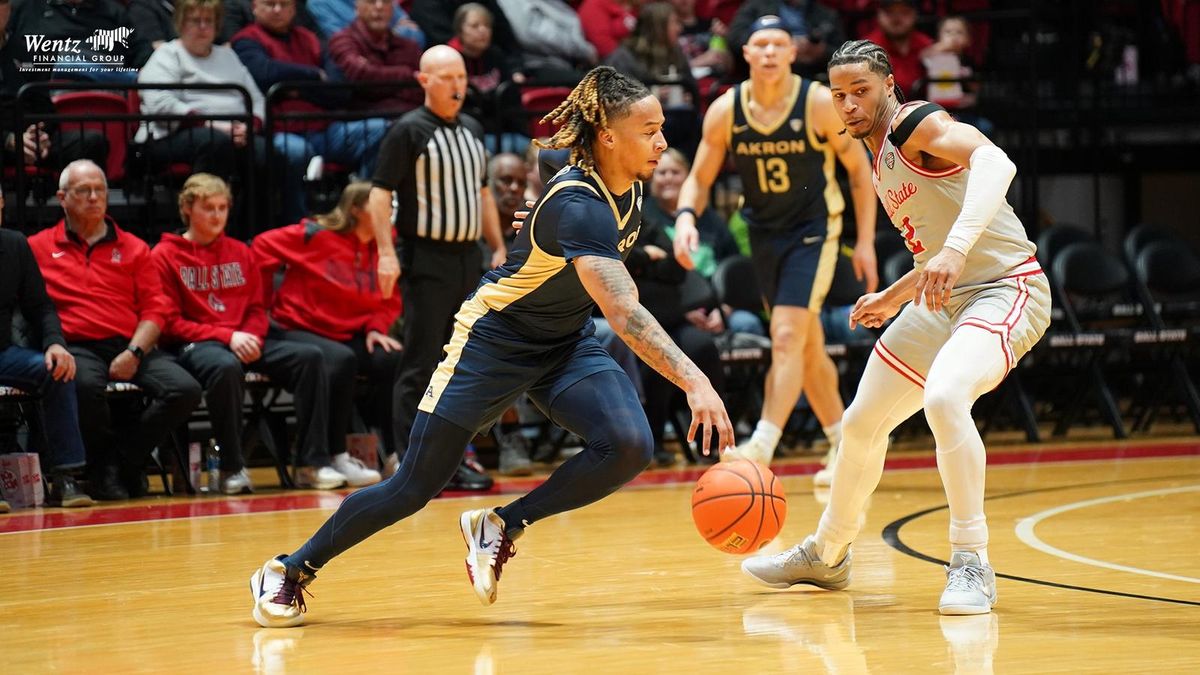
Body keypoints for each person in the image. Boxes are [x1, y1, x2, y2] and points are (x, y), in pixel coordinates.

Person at [249, 66, 733, 628]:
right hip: (493, 340)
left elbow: (551, 174)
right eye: (649, 130)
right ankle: (289, 569)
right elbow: (623, 313)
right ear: (607, 137)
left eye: (660, 129)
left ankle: (501, 524)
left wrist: (535, 214)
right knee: (413, 486)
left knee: (628, 444)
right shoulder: (579, 205)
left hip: (564, 340)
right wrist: (696, 382)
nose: (662, 141)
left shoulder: (625, 185)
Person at [740, 39, 1051, 616]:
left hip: (1005, 288)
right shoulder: (876, 151)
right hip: (938, 296)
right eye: (839, 95)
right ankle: (827, 554)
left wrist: (954, 251)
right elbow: (932, 252)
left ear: (888, 86)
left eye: (861, 91)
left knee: (946, 396)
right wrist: (894, 294)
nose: (850, 104)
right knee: (859, 425)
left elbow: (996, 162)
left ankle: (971, 559)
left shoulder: (914, 124)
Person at [671, 15, 878, 478]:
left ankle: (762, 444)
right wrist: (686, 218)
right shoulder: (727, 110)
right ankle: (845, 447)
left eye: (777, 44)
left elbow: (860, 172)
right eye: (759, 44)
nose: (768, 52)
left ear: (791, 52)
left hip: (813, 230)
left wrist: (863, 241)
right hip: (764, 233)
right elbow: (699, 179)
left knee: (785, 335)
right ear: (745, 53)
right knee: (805, 345)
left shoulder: (819, 103)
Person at [366, 46, 506, 492]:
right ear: (423, 80)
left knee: (462, 364)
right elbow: (378, 194)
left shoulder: (472, 130)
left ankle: (450, 460)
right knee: (422, 362)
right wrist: (386, 253)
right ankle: (412, 464)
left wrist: (498, 245)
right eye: (446, 77)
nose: (457, 86)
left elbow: (483, 194)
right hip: (426, 259)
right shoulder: (408, 131)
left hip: (470, 259)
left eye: (461, 77)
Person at [28, 161, 202, 501]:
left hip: (129, 343)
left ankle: (119, 464)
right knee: (82, 383)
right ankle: (110, 468)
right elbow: (35, 308)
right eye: (83, 191)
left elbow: (156, 310)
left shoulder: (134, 246)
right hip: (75, 345)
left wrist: (135, 352)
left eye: (100, 190)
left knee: (185, 388)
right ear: (62, 198)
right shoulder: (37, 247)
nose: (94, 197)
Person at [152, 174, 334, 494]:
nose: (217, 215)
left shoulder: (240, 251)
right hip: (196, 344)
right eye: (208, 208)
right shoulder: (164, 256)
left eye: (223, 207)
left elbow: (256, 307)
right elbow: (168, 323)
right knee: (224, 366)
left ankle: (311, 463)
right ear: (187, 208)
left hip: (244, 339)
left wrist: (251, 336)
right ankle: (231, 468)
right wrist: (228, 337)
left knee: (310, 357)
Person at [252, 182, 400, 489]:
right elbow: (261, 245)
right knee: (340, 359)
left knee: (392, 358)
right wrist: (261, 302)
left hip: (349, 331)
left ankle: (397, 453)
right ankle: (332, 455)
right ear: (356, 209)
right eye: (381, 206)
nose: (388, 212)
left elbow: (390, 297)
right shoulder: (314, 236)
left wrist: (375, 326)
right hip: (299, 329)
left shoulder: (384, 246)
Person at [231, 0, 389, 225]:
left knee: (378, 129)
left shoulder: (310, 39)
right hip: (281, 130)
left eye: (284, 4)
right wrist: (314, 75)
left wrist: (293, 89)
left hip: (325, 128)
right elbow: (264, 74)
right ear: (254, 7)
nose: (277, 10)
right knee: (295, 152)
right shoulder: (246, 40)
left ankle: (358, 212)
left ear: (294, 9)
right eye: (270, 4)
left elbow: (339, 89)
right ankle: (297, 225)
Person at [136, 0, 267, 235]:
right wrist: (216, 126)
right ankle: (203, 230)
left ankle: (251, 234)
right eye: (195, 21)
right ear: (180, 24)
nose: (203, 27)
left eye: (209, 21)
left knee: (264, 151)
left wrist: (250, 127)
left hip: (232, 132)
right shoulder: (167, 55)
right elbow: (160, 102)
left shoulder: (228, 56)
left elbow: (256, 99)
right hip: (170, 135)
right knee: (214, 142)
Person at [0, 186, 93, 508]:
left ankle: (66, 478)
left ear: (2, 204)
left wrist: (55, 343)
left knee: (56, 370)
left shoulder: (14, 245)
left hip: (4, 354)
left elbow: (41, 307)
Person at [327, 0, 424, 115]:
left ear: (393, 9)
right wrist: (406, 74)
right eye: (371, 1)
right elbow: (361, 75)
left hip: (409, 116)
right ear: (357, 8)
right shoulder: (343, 41)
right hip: (365, 120)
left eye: (386, 2)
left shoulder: (409, 46)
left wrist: (378, 80)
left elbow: (423, 87)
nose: (379, 7)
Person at [863, 0, 934, 101]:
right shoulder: (867, 49)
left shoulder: (927, 46)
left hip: (924, 111)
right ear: (878, 15)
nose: (897, 18)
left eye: (904, 12)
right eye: (890, 12)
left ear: (915, 14)